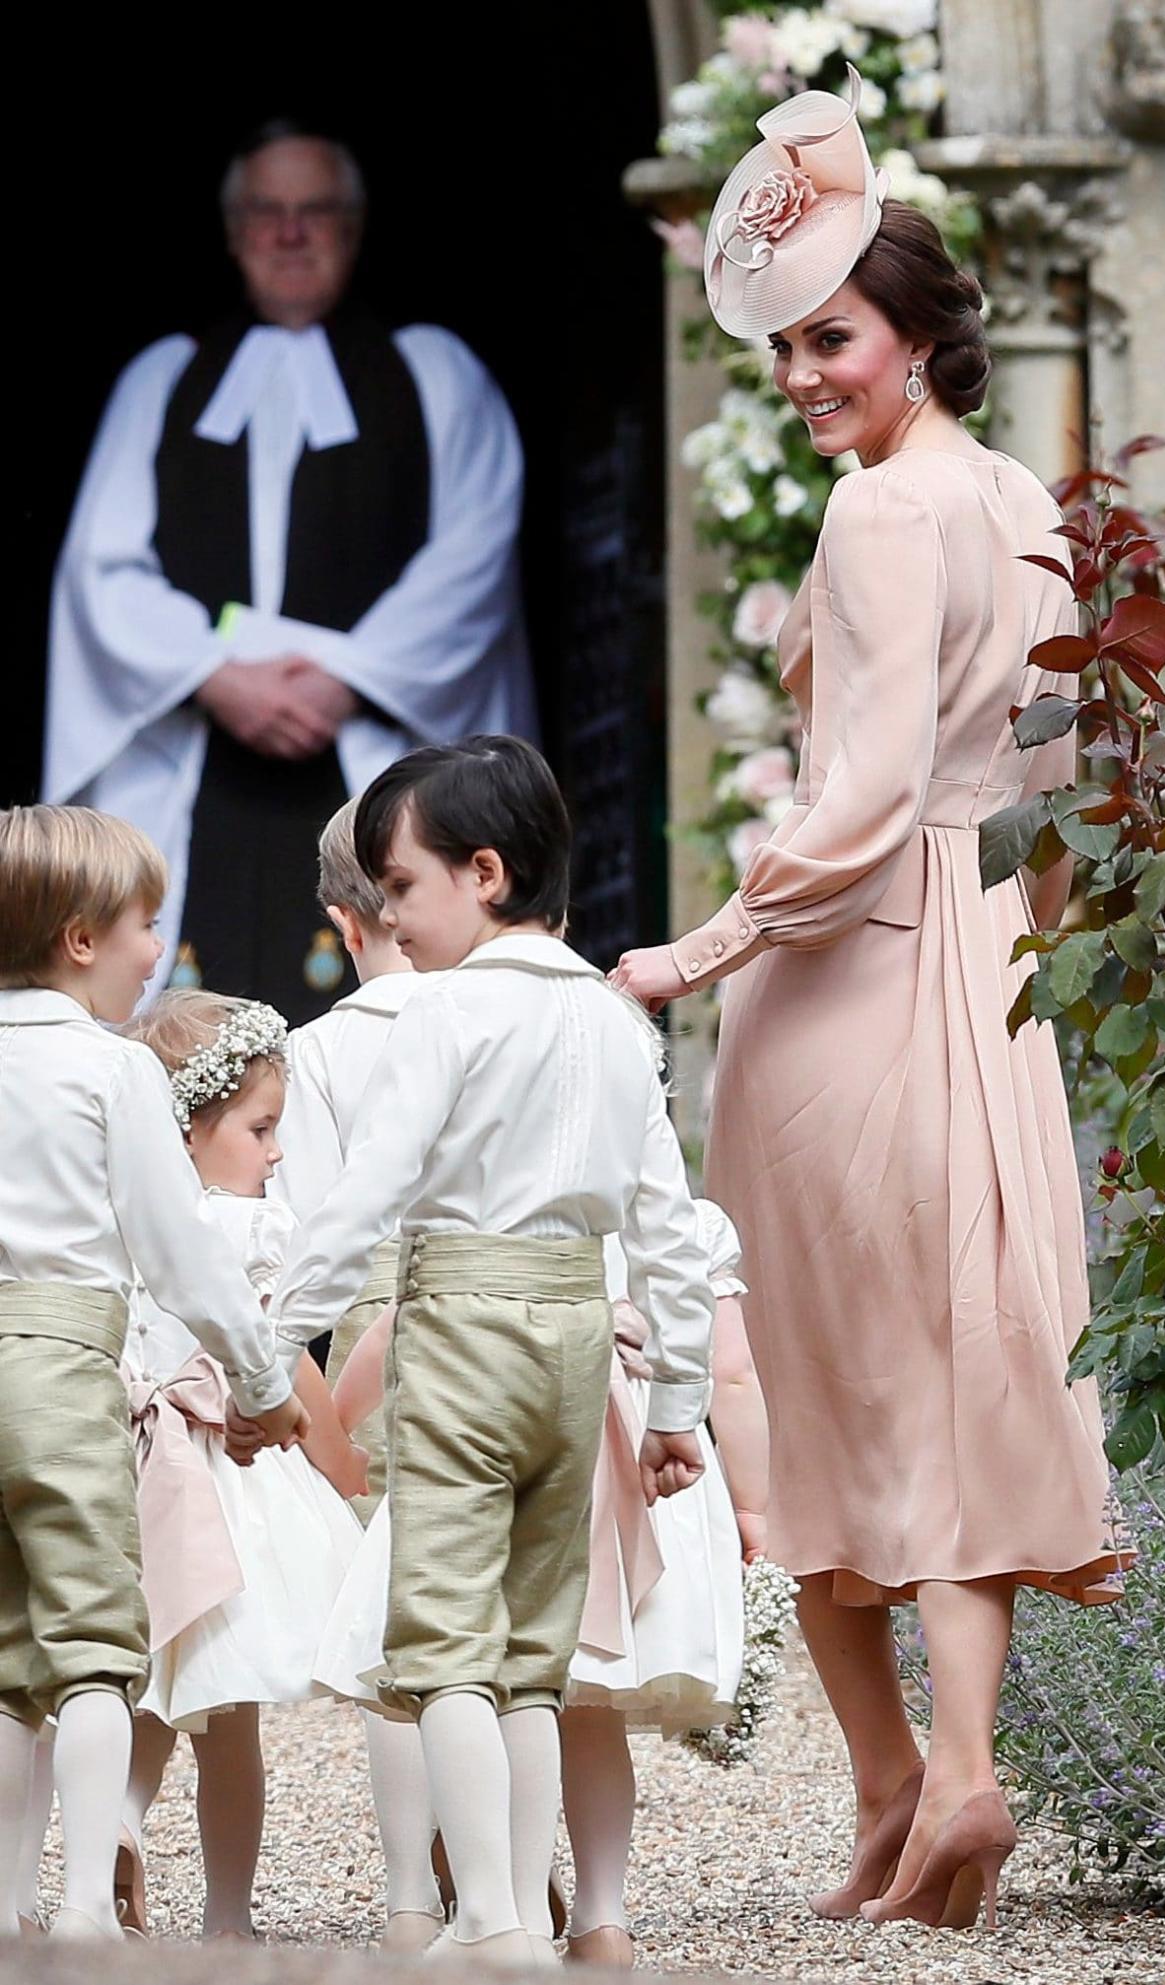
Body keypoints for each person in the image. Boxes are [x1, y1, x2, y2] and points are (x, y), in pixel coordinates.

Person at [613, 70, 1133, 1935]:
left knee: (807, 1386)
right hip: (988, 972)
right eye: (792, 343)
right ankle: (947, 1778)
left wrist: (701, 948)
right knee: (943, 1370)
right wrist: (1044, 960)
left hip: (850, 978)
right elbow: (1063, 760)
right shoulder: (1020, 499)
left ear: (916, 338)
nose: (805, 371)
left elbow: (857, 795)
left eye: (833, 337)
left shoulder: (881, 519)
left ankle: (896, 1780)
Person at [249, 736, 715, 1971]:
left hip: (459, 1325)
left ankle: (494, 1918)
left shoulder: (446, 1010)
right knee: (530, 1651)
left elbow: (363, 1200)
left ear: (486, 874)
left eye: (400, 887)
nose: (391, 915)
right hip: (575, 1341)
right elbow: (665, 1222)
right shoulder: (617, 1025)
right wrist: (676, 1398)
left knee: (444, 1637)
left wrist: (262, 1345)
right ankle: (504, 1909)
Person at [45, 121, 535, 1025]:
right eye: (267, 213)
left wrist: (347, 677)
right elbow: (102, 571)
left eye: (315, 212)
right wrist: (217, 676)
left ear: (352, 229)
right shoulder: (165, 380)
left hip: (371, 752)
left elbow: (474, 550)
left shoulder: (433, 374)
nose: (291, 233)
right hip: (197, 757)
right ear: (234, 233)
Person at [0, 805, 304, 1943]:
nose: (155, 950)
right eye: (145, 926)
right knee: (88, 1647)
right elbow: (181, 1252)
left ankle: (6, 1900)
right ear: (81, 938)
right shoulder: (106, 1070)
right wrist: (265, 1384)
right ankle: (83, 1905)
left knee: (3, 1646)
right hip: (62, 1367)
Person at [115, 991, 364, 1942]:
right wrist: (339, 1467)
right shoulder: (250, 1230)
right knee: (229, 1723)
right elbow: (283, 1360)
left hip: (146, 1468)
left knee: (147, 1684)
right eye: (261, 1128)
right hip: (237, 1477)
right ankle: (226, 1917)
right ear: (186, 1128)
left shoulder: (127, 1225)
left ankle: (123, 1821)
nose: (276, 1152)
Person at [268, 798, 438, 1951]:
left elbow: (311, 1230)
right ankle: (521, 1866)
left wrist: (304, 1396)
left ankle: (411, 1891)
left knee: (394, 1620)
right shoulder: (503, 1014)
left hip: (375, 1323)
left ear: (344, 913)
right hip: (513, 1311)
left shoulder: (322, 1048)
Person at [561, 1198, 767, 1970]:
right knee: (592, 1709)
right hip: (651, 1469)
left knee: (503, 1691)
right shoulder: (688, 1221)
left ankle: (499, 1896)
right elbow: (734, 1376)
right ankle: (601, 1912)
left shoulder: (519, 1200)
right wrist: (752, 1505)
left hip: (543, 1438)